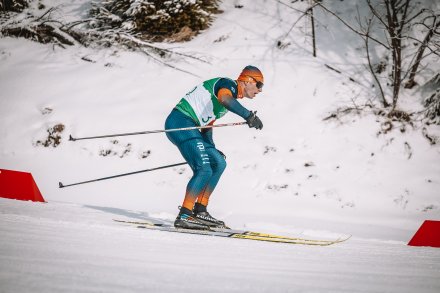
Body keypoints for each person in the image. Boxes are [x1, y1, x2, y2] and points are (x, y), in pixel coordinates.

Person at [165, 65, 264, 229]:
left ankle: (200, 210)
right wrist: (248, 116)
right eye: (259, 85)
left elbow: (207, 125)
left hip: (193, 126)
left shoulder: (229, 99)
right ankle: (184, 215)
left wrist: (211, 147)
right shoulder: (228, 85)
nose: (260, 90)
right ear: (247, 80)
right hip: (180, 121)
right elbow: (225, 99)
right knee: (204, 168)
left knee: (218, 162)